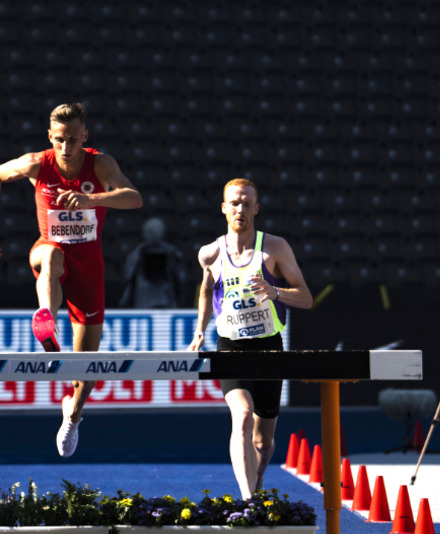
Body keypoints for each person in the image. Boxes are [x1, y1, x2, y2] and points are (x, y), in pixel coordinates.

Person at [0, 102, 143, 457]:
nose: (66, 147)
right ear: (49, 138)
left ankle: (73, 414)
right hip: (49, 247)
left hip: (89, 263)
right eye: (59, 140)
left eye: (72, 139)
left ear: (85, 136)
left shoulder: (100, 163)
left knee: (86, 367)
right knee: (51, 256)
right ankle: (46, 320)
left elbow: (134, 198)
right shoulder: (37, 163)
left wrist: (91, 197)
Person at [187, 178, 313, 500]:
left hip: (269, 347)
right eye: (234, 203)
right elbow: (205, 291)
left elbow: (306, 298)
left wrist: (276, 292)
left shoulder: (275, 248)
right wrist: (200, 329)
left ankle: (255, 488)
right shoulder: (210, 253)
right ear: (224, 208)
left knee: (263, 441)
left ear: (256, 208)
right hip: (230, 348)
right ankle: (247, 501)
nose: (240, 208)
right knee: (241, 414)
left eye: (246, 203)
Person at [118, 216, 189, 308]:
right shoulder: (137, 254)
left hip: (166, 302)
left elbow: (181, 278)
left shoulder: (172, 253)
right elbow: (128, 276)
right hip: (144, 302)